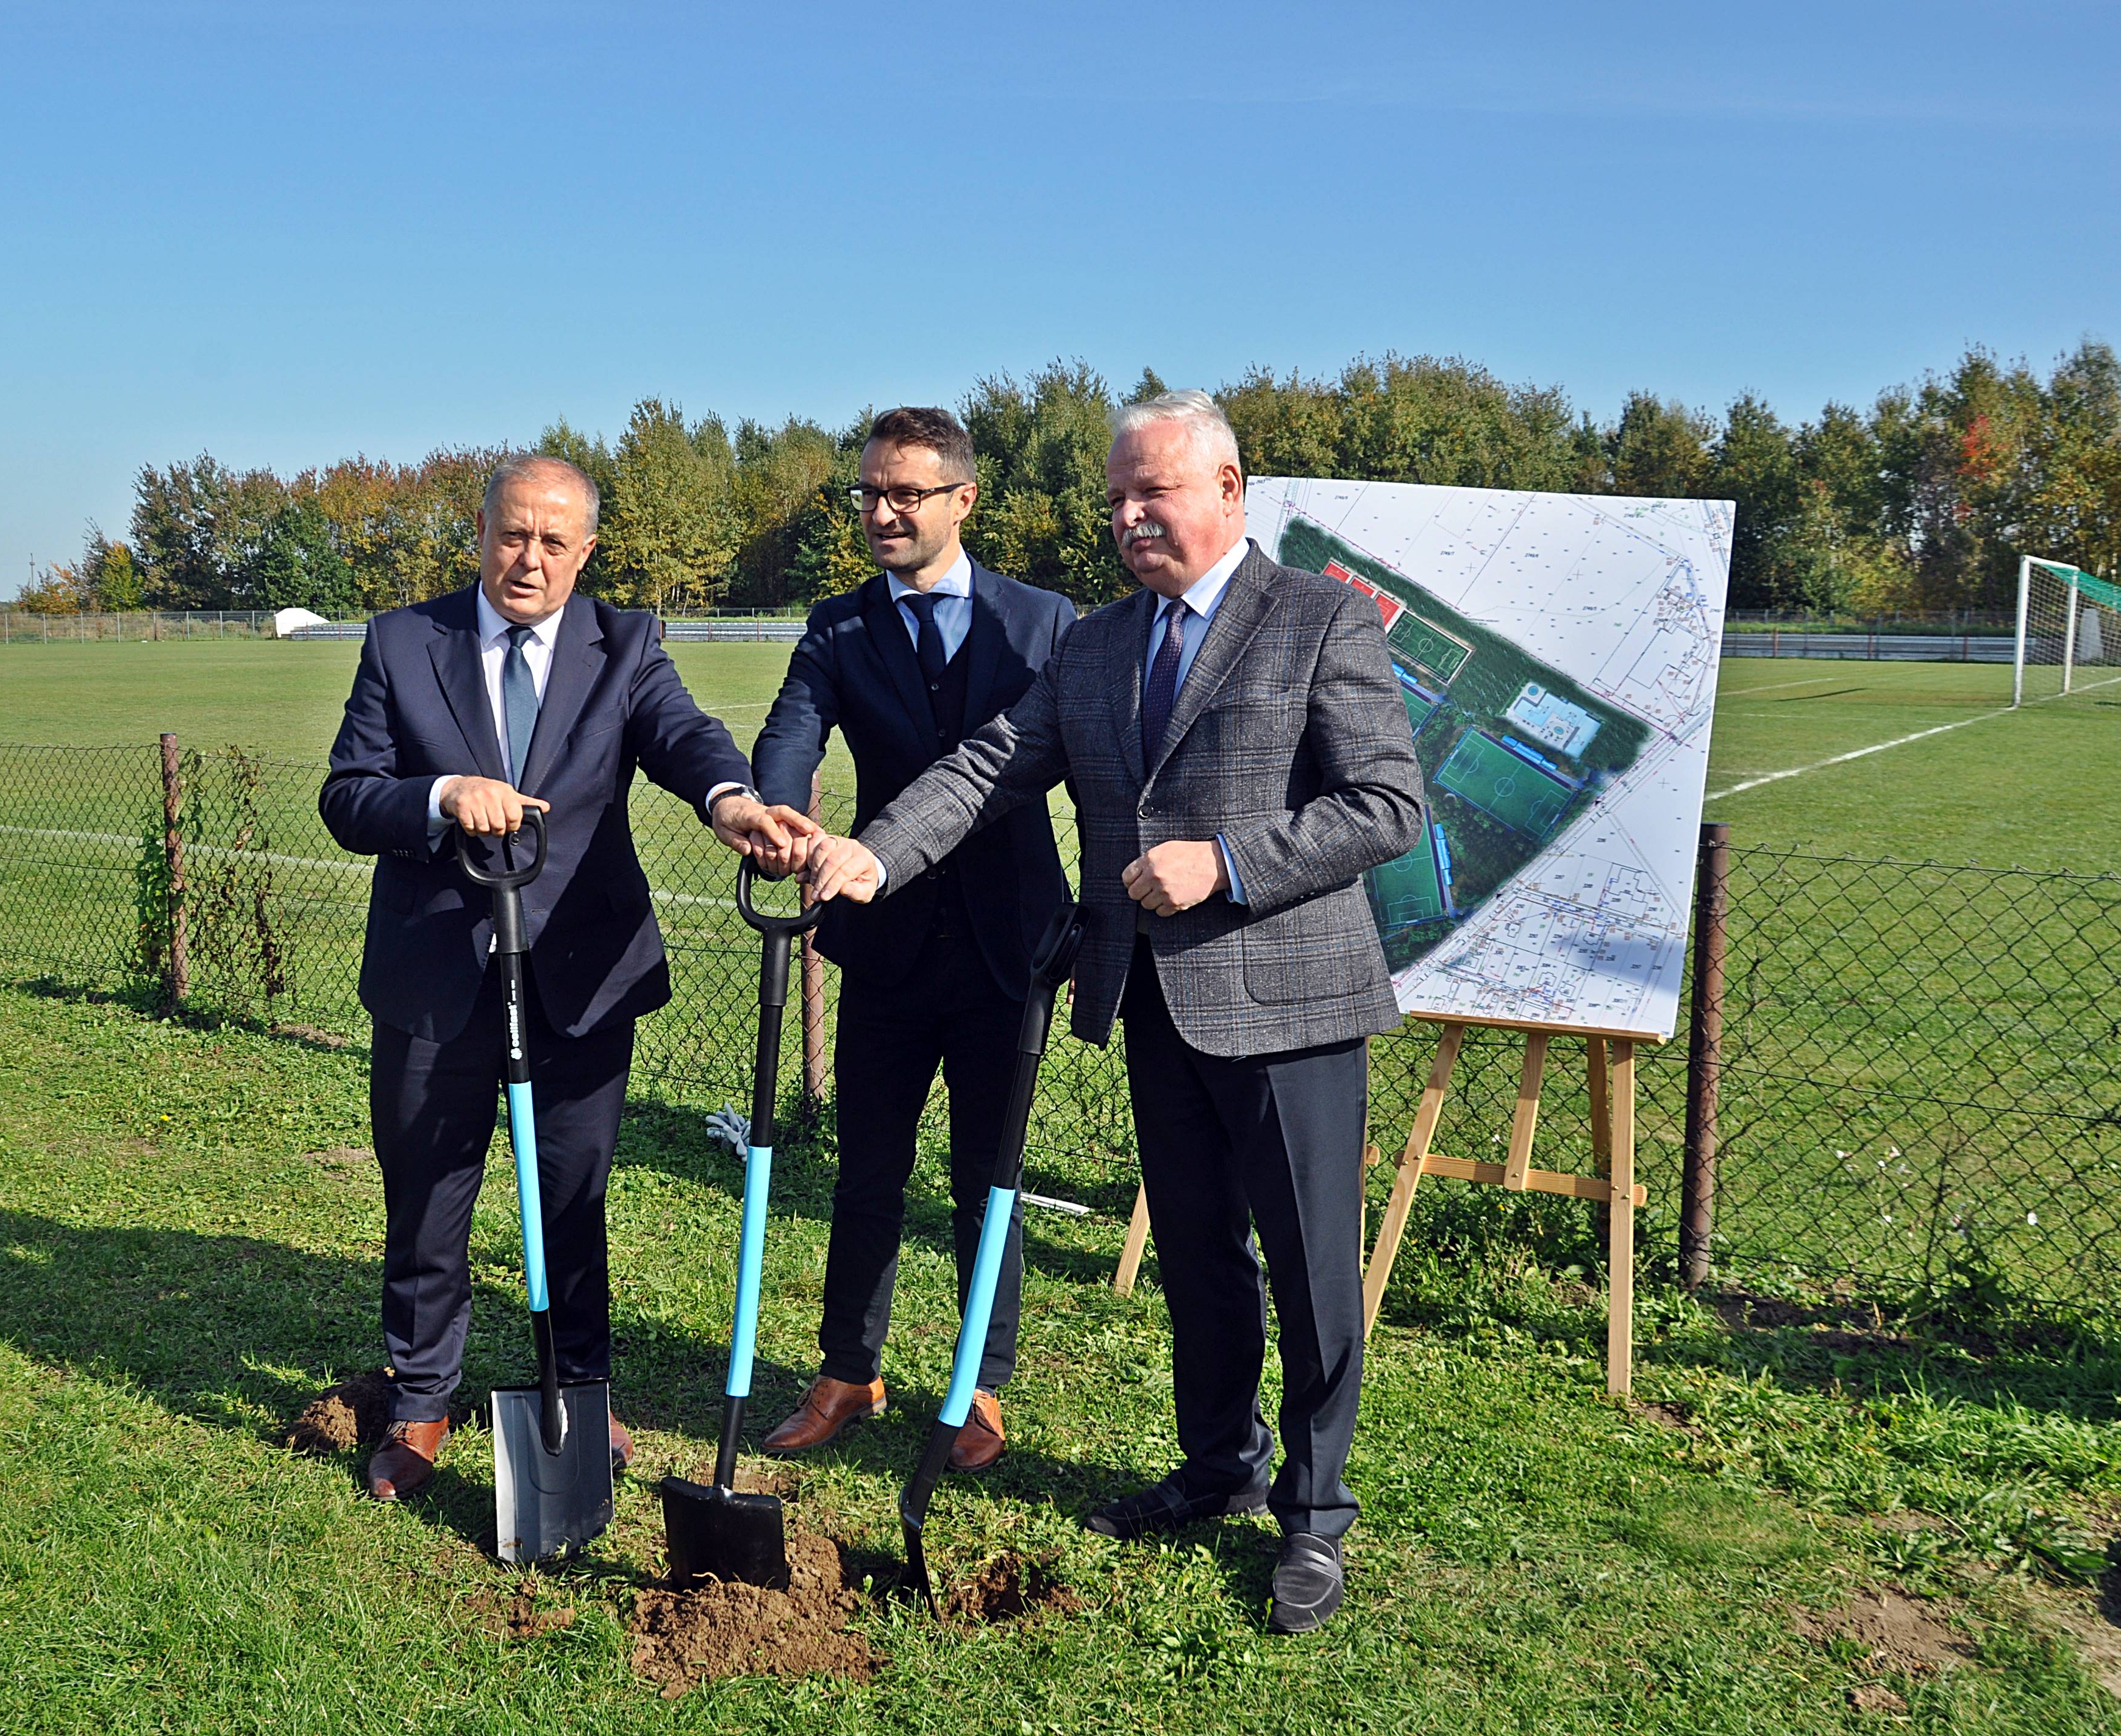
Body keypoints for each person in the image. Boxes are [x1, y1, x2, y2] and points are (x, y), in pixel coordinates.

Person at [802, 391, 1422, 1633]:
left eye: (1157, 492)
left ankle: (1312, 1513)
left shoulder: (1315, 621)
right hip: (1152, 1000)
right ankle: (1216, 1465)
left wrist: (1226, 862)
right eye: (1116, 500)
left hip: (1293, 1005)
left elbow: (1387, 803)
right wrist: (873, 854)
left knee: (1307, 1269)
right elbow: (989, 766)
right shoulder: (1093, 644)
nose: (1132, 516)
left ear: (1230, 490)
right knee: (1196, 1252)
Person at [319, 453, 813, 1502]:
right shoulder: (406, 642)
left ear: (585, 552)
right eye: (512, 534)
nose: (529, 559)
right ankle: (420, 1402)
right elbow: (348, 794)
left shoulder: (624, 643)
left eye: (554, 541)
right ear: (481, 533)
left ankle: (578, 1392)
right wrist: (444, 795)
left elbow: (683, 736)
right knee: (426, 1196)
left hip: (581, 977)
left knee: (573, 1194)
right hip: (432, 979)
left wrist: (731, 802)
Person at [746, 407, 1075, 1471]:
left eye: (906, 495)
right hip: (883, 941)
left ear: (963, 500)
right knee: (868, 1169)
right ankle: (850, 1367)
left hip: (1006, 948)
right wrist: (781, 812)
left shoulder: (1045, 623)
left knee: (992, 1174)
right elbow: (793, 725)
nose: (882, 512)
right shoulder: (840, 626)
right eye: (870, 494)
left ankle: (980, 1386)